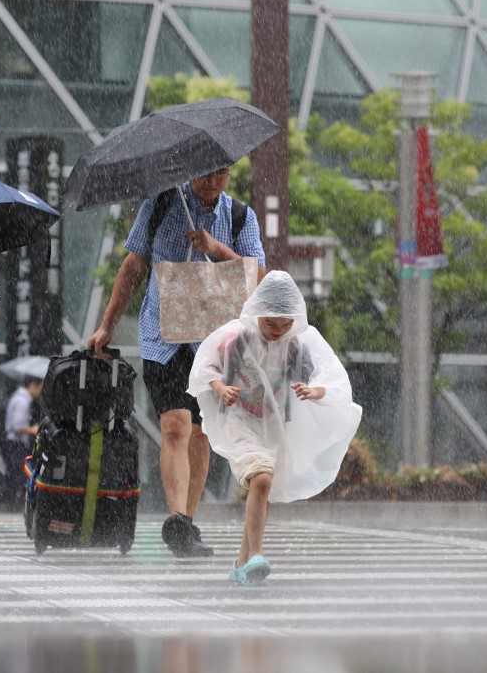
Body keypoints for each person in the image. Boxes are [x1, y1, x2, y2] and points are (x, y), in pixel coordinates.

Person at [86, 167, 266, 558]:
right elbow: (134, 266)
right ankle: (178, 519)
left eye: (222, 174)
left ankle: (186, 521)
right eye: (206, 175)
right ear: (191, 171)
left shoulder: (240, 216)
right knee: (174, 425)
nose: (213, 183)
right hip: (162, 335)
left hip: (214, 340)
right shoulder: (162, 203)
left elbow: (258, 278)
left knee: (201, 433)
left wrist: (215, 247)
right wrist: (107, 326)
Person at [188, 271, 362, 585]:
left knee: (261, 488)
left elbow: (328, 378)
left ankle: (242, 564)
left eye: (285, 325)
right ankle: (256, 555)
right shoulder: (237, 338)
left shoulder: (298, 344)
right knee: (263, 478)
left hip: (272, 424)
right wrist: (220, 387)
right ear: (258, 314)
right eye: (271, 324)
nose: (278, 332)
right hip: (239, 419)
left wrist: (315, 392)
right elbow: (205, 367)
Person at [0, 375, 44, 510]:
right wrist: (33, 429)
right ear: (32, 385)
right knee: (16, 475)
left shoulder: (20, 398)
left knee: (15, 474)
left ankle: (10, 503)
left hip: (14, 444)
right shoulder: (22, 401)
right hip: (15, 444)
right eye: (40, 387)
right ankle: (10, 505)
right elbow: (17, 427)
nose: (40, 391)